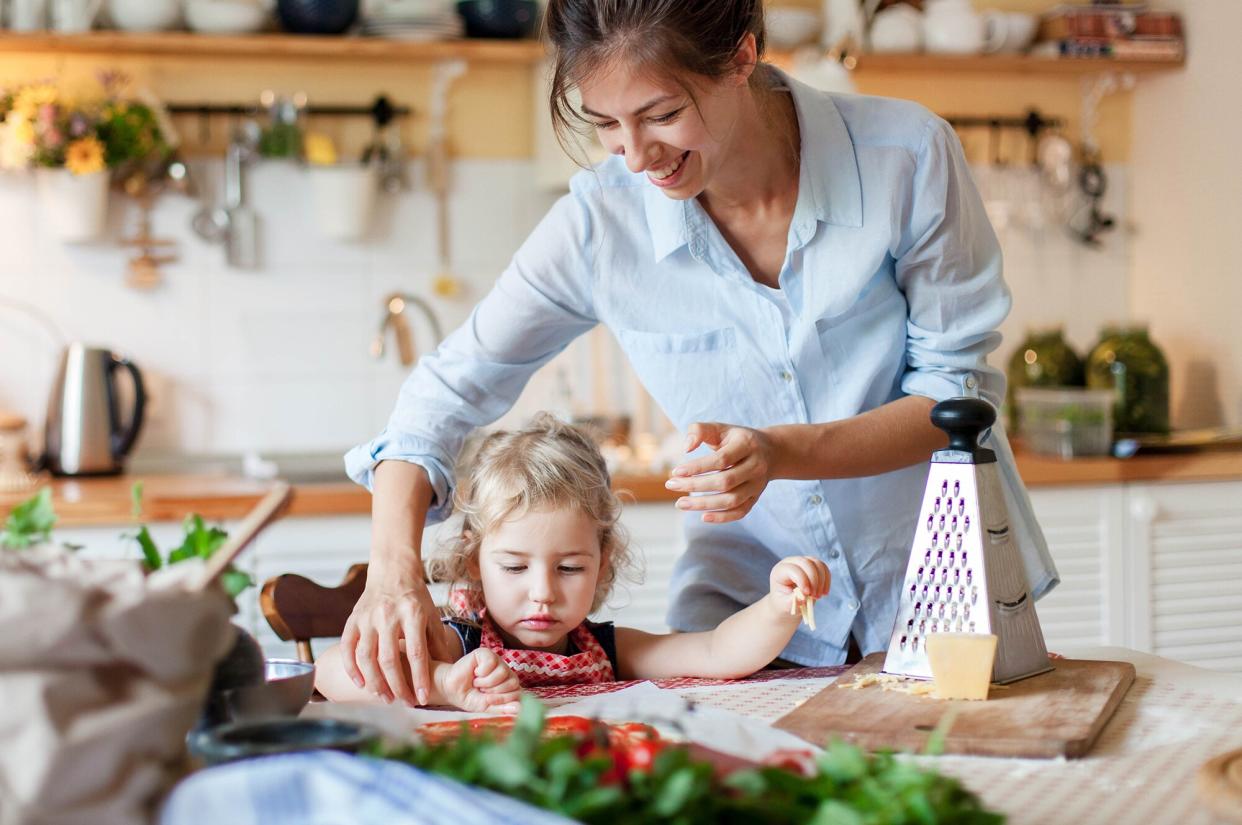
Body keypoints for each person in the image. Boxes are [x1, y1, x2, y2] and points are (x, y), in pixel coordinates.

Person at [340, 0, 1058, 707]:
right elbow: (441, 397)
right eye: (605, 124)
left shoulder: (906, 157)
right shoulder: (601, 224)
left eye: (659, 114)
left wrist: (780, 452)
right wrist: (392, 569)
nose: (636, 153)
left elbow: (956, 403)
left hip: (940, 596)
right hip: (743, 630)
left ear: (742, 56)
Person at [317, 415, 831, 706]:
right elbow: (330, 670)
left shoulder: (603, 647)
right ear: (474, 561)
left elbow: (719, 653)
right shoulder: (458, 643)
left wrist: (778, 606)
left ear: (604, 562)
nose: (542, 591)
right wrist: (444, 685)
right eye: (515, 567)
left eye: (570, 568)